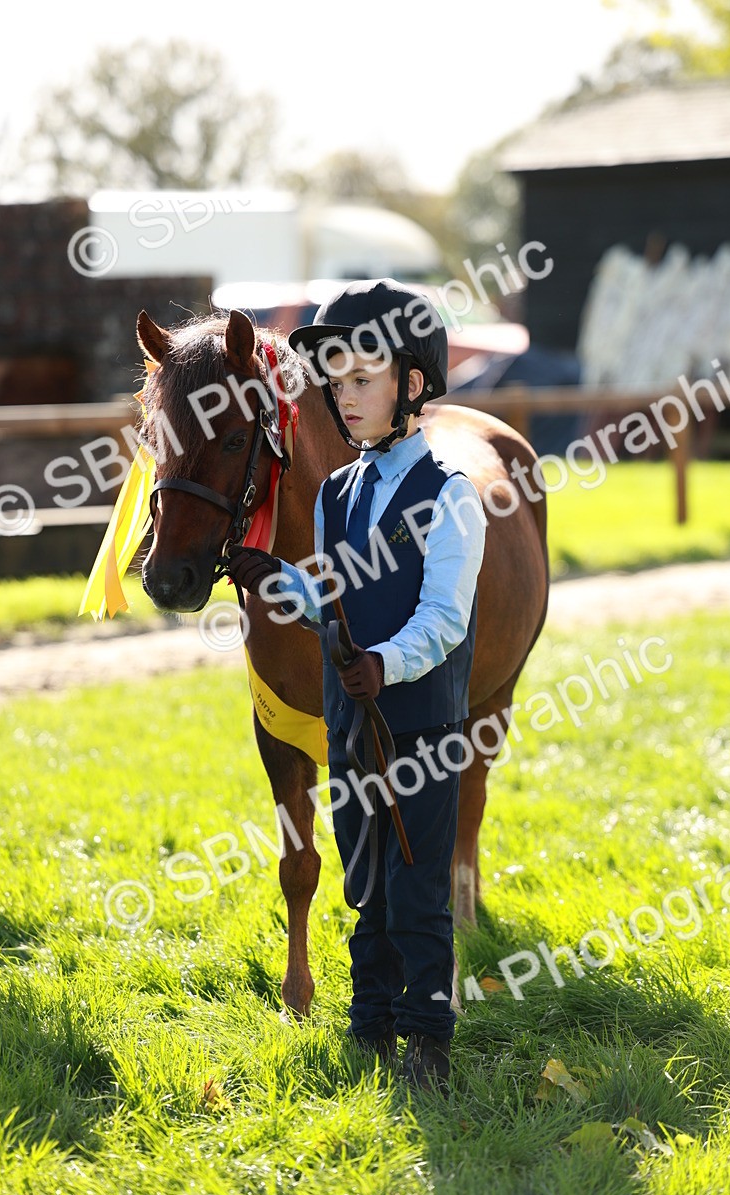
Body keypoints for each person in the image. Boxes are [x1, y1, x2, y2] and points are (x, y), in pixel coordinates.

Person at [226, 279, 486, 1094]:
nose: (345, 398)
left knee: (417, 887)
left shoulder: (449, 495)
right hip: (352, 724)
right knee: (363, 878)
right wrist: (277, 580)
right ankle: (369, 1021)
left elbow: (443, 622)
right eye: (335, 383)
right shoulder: (339, 493)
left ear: (412, 384)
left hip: (417, 721)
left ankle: (428, 1042)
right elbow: (333, 598)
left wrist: (383, 664)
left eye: (362, 379)